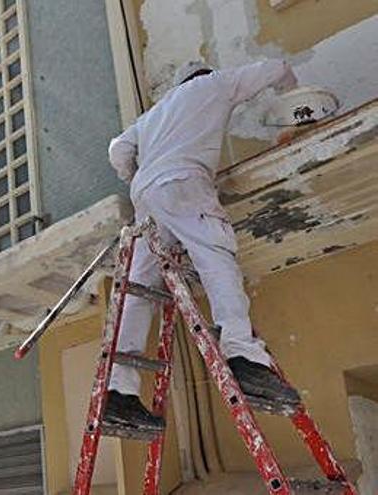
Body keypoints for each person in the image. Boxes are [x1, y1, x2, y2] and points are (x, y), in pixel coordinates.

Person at [104, 60, 301, 431]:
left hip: (145, 198)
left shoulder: (156, 113)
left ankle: (119, 393)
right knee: (216, 256)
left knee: (141, 292)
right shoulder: (215, 85)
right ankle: (244, 356)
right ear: (204, 76)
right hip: (184, 182)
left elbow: (117, 149)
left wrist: (138, 175)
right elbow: (276, 67)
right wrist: (290, 91)